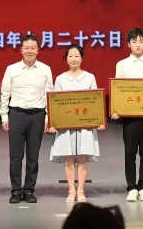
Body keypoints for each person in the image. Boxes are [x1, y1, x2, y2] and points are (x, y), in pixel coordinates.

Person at [0, 33, 54, 204]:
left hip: (37, 115)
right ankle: (16, 190)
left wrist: (48, 118)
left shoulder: (45, 69)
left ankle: (29, 189)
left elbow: (49, 95)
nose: (29, 51)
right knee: (15, 156)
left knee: (33, 155)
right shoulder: (12, 69)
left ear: (38, 50)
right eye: (26, 48)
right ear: (21, 50)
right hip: (16, 114)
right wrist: (4, 116)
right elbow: (5, 94)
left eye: (33, 48)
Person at [48, 44, 104, 203]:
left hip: (85, 125)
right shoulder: (60, 79)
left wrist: (98, 121)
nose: (73, 59)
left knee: (84, 157)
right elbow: (55, 103)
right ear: (66, 58)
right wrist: (53, 122)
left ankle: (81, 190)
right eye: (70, 56)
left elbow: (95, 101)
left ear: (82, 58)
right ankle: (71, 190)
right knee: (69, 158)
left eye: (76, 56)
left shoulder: (89, 77)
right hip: (66, 125)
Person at [111, 27, 143, 202]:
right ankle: (131, 187)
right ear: (128, 44)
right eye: (134, 41)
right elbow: (118, 90)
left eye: (141, 41)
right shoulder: (122, 64)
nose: (138, 45)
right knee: (130, 153)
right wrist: (116, 109)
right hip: (129, 117)